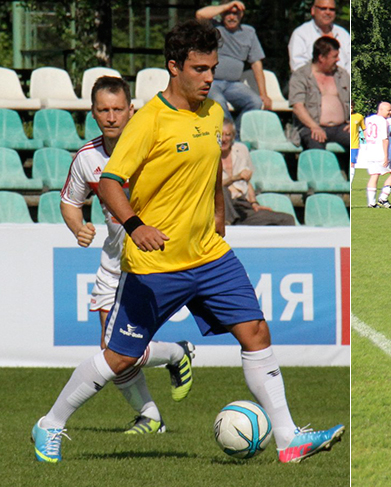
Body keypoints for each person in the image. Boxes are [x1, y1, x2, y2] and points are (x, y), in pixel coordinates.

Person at [32, 19, 344, 464]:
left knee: (256, 332)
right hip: (155, 263)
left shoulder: (213, 112)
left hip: (210, 256)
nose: (208, 77)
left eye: (213, 68)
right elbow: (112, 183)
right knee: (121, 358)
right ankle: (50, 423)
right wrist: (136, 226)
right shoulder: (148, 123)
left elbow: (211, 169)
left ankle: (289, 439)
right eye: (199, 69)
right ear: (173, 67)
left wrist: (219, 214)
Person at [58, 76, 196, 438]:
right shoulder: (87, 160)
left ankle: (174, 355)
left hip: (158, 260)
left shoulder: (152, 146)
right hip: (114, 263)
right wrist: (78, 228)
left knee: (120, 350)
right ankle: (151, 415)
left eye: (118, 109)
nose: (112, 116)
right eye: (103, 109)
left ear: (131, 110)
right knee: (111, 350)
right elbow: (70, 202)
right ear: (93, 112)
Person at [196, 1, 271, 135]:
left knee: (255, 102)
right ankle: (230, 138)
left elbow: (256, 64)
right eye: (228, 13)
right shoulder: (214, 28)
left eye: (235, 13)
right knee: (218, 102)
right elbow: (200, 14)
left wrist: (264, 94)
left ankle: (235, 135)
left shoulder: (249, 32)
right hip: (212, 82)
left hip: (234, 84)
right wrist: (227, 5)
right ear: (222, 14)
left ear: (241, 15)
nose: (232, 17)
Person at [220, 119, 295, 225]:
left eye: (227, 135)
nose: (223, 139)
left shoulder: (241, 150)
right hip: (222, 207)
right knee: (222, 190)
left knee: (286, 219)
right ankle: (230, 224)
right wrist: (234, 178)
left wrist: (254, 202)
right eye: (219, 135)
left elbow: (247, 182)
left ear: (232, 136)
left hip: (242, 206)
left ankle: (237, 223)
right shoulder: (207, 156)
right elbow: (212, 186)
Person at [289, 36, 350, 154]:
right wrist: (314, 127)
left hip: (341, 127)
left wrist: (353, 120)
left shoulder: (342, 75)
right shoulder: (301, 76)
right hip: (312, 127)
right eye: (334, 57)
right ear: (321, 57)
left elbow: (354, 100)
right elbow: (297, 107)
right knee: (316, 147)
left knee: (361, 143)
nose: (338, 60)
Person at [288, 0, 350, 73]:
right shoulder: (301, 34)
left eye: (332, 9)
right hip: (311, 83)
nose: (328, 12)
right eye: (323, 8)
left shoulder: (343, 34)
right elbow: (298, 68)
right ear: (313, 10)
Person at [364, 102, 391, 208]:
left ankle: (371, 202)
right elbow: (385, 139)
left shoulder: (369, 119)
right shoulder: (383, 121)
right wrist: (386, 156)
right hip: (380, 152)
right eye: (389, 110)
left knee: (374, 175)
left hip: (370, 151)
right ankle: (383, 198)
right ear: (381, 109)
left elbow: (366, 132)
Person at [349, 99, 365, 184]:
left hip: (354, 145)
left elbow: (364, 129)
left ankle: (350, 185)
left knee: (352, 164)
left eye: (351, 107)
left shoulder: (359, 117)